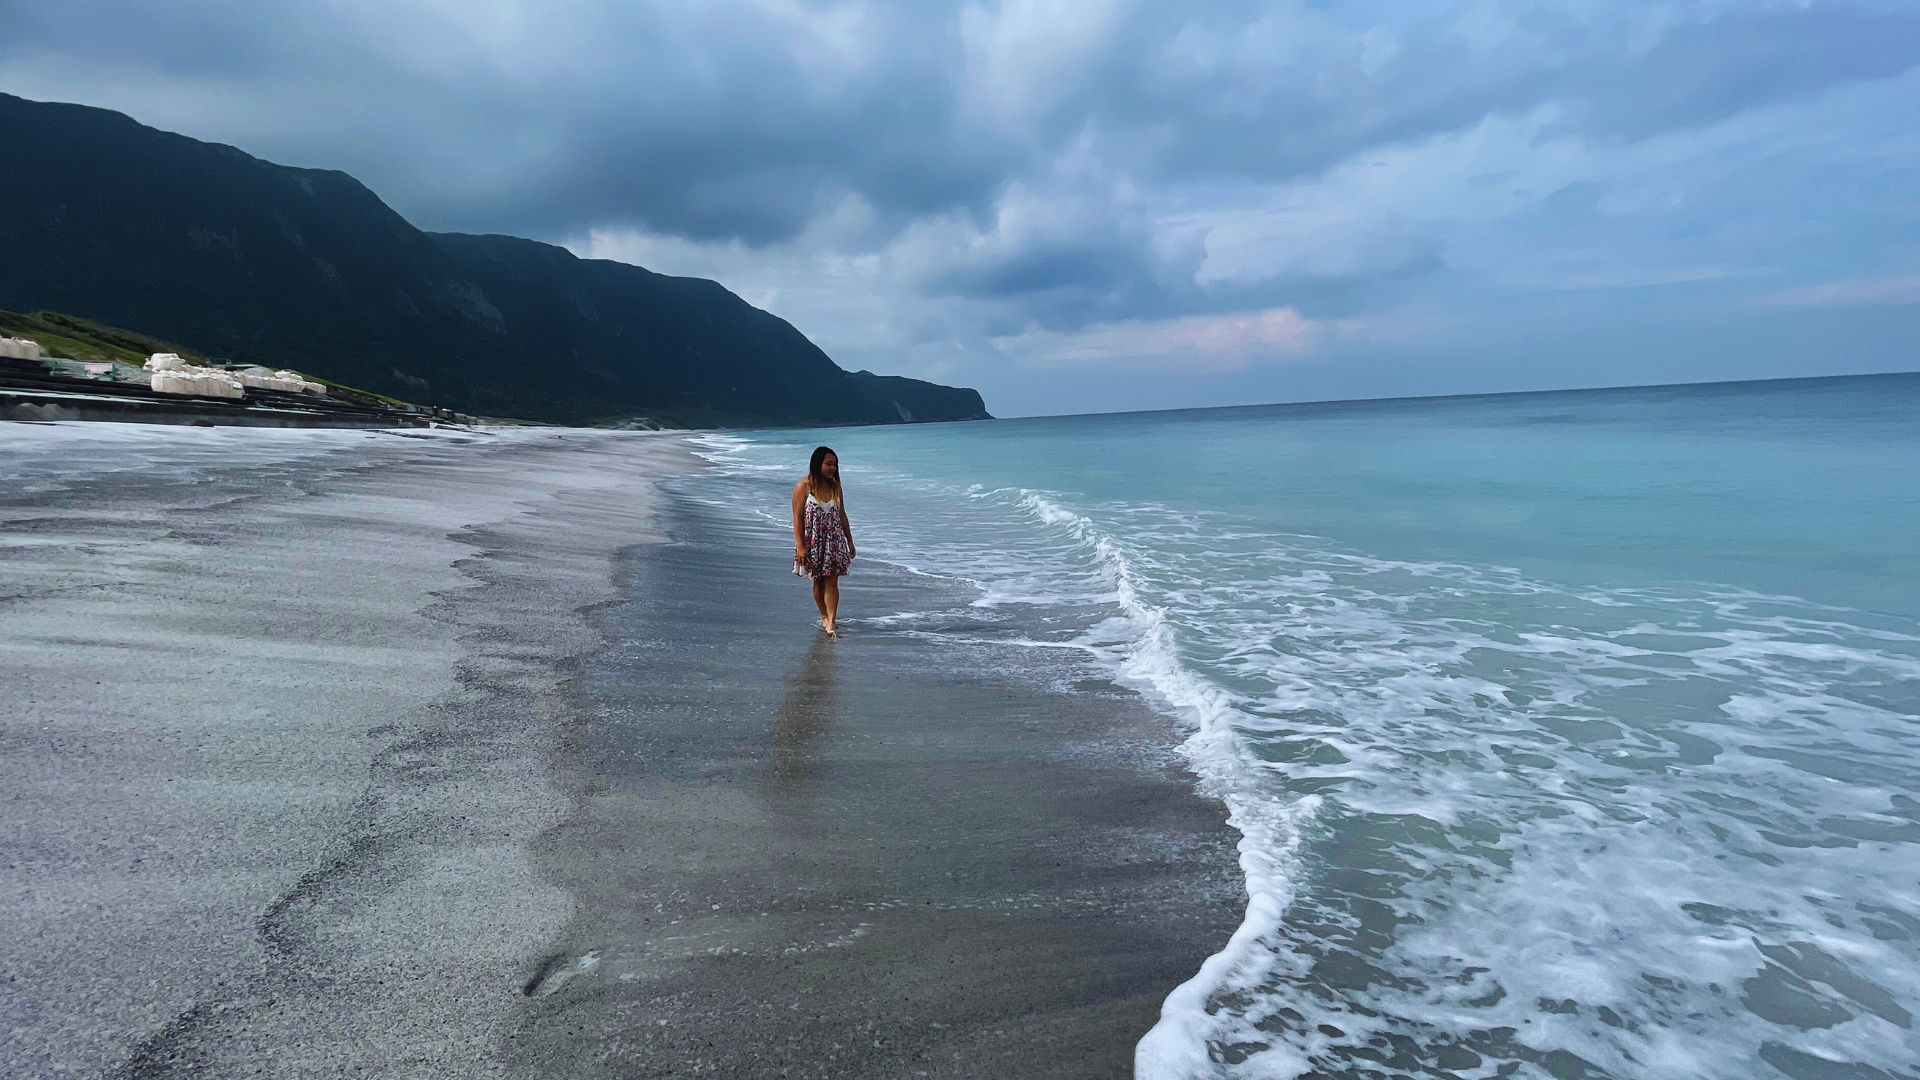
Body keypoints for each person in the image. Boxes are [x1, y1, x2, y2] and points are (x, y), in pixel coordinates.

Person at [791, 445, 855, 634]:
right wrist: (800, 547)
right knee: (818, 581)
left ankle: (832, 621)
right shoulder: (804, 487)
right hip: (812, 540)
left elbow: (842, 515)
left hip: (834, 540)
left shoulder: (835, 486)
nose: (832, 468)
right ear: (817, 464)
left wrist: (849, 541)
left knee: (832, 580)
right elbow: (797, 518)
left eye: (834, 464)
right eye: (828, 464)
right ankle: (824, 615)